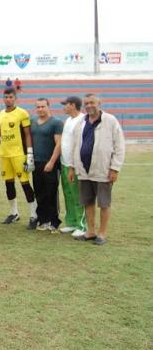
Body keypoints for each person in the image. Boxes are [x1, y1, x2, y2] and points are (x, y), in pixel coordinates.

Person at [70, 94, 125, 246]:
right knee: (87, 202)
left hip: (103, 170)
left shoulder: (110, 120)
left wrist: (115, 168)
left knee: (104, 203)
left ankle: (102, 233)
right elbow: (75, 145)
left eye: (92, 102)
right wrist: (72, 167)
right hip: (84, 170)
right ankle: (91, 231)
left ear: (99, 103)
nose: (89, 106)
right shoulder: (81, 122)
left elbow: (119, 145)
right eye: (86, 103)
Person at [0, 88, 38, 228]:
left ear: (15, 98)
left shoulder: (22, 113)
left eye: (10, 97)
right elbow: (1, 132)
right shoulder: (1, 113)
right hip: (4, 154)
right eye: (6, 97)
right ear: (3, 98)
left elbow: (27, 135)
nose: (8, 99)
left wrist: (30, 155)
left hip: (18, 154)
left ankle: (34, 215)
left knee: (25, 184)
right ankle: (14, 213)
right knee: (8, 184)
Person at [30, 98, 63, 232]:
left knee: (51, 193)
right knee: (39, 192)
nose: (40, 109)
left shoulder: (56, 122)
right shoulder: (32, 122)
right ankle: (43, 220)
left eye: (43, 107)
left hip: (50, 163)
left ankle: (54, 222)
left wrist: (51, 162)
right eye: (38, 107)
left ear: (48, 106)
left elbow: (59, 144)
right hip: (36, 162)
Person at [59, 96, 87, 237]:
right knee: (68, 195)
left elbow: (78, 145)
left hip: (74, 165)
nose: (63, 107)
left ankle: (82, 225)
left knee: (77, 195)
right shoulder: (68, 120)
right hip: (64, 162)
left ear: (73, 105)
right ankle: (71, 222)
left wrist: (72, 166)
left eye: (66, 104)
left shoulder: (82, 121)